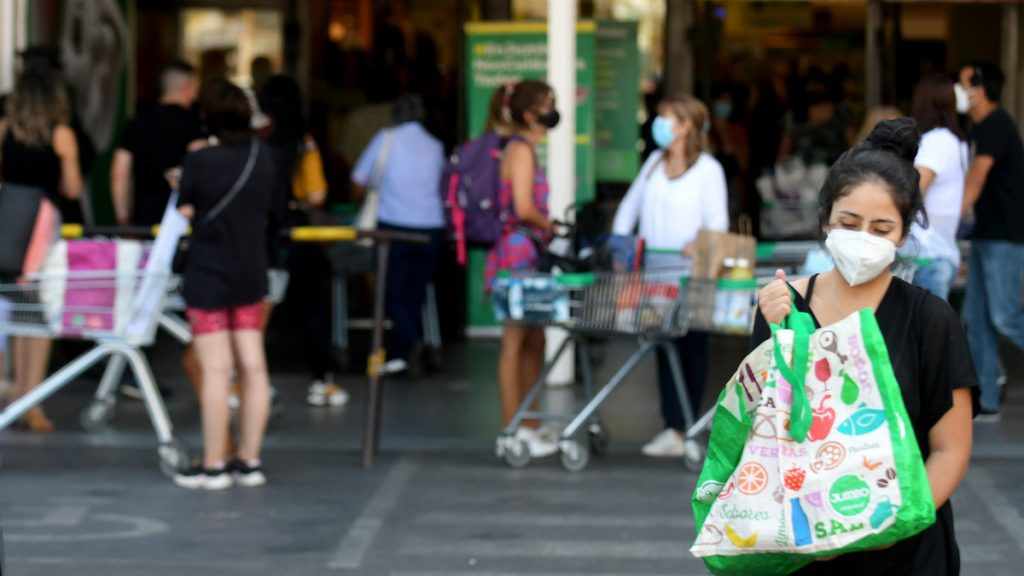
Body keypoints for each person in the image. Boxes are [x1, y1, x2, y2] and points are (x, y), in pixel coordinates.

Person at [755, 118, 975, 574]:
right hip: (805, 547)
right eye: (849, 223)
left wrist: (887, 528)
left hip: (907, 551)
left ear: (904, 232)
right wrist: (776, 340)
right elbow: (759, 435)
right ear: (825, 220)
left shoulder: (930, 320)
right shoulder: (782, 308)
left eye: (881, 228)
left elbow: (950, 450)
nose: (863, 239)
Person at [612, 94, 728, 457]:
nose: (659, 124)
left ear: (686, 126)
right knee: (663, 347)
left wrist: (699, 244)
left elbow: (718, 221)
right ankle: (672, 427)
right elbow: (628, 209)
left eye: (667, 118)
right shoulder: (652, 164)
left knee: (692, 347)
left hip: (692, 276)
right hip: (654, 276)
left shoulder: (708, 169)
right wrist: (620, 247)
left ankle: (686, 425)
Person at [172, 80, 274, 489]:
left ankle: (214, 464)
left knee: (216, 370)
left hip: (208, 273)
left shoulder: (201, 160)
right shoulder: (265, 157)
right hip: (251, 270)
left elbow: (185, 208)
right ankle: (249, 462)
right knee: (254, 366)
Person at [0, 63, 83, 432]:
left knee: (14, 315)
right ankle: (32, 402)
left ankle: (15, 394)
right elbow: (73, 190)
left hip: (8, 227)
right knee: (38, 318)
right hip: (43, 231)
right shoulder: (62, 134)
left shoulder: (3, 130)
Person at [259, 74, 348, 407]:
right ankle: (319, 380)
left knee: (257, 311)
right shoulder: (303, 139)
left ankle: (246, 382)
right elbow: (317, 192)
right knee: (313, 305)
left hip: (261, 230)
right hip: (298, 230)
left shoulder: (256, 137)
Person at [485, 80, 560, 458]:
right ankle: (512, 427)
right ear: (530, 113)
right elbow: (523, 207)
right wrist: (550, 224)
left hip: (527, 251)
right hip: (517, 252)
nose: (553, 112)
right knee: (515, 340)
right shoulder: (521, 150)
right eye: (548, 105)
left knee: (535, 339)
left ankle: (529, 423)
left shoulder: (522, 148)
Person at [352, 94, 445, 376]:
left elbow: (358, 181)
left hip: (394, 226)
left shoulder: (386, 138)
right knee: (415, 293)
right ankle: (404, 351)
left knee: (391, 292)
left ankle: (406, 346)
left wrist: (361, 201)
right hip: (431, 227)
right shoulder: (435, 145)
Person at [960, 62, 1024, 422]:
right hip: (987, 236)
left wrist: (951, 219)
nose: (960, 90)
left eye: (964, 83)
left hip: (1004, 238)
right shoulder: (984, 127)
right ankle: (985, 401)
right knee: (977, 318)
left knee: (1005, 317)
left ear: (979, 89)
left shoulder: (996, 125)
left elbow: (976, 179)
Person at [111, 61, 202, 227]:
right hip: (183, 221)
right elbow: (202, 164)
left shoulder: (137, 122)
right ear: (188, 88)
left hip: (143, 220)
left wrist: (122, 219)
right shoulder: (193, 123)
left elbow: (119, 174)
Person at [905, 75, 967, 300]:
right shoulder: (957, 142)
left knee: (925, 333)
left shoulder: (935, 141)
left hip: (926, 256)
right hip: (944, 253)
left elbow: (913, 192)